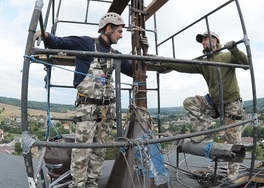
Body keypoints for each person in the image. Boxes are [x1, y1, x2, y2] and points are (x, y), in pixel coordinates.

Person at [34, 12, 147, 188]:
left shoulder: (114, 54)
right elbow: (60, 43)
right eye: (119, 31)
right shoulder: (87, 44)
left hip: (105, 112)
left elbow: (134, 71)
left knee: (99, 151)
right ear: (108, 29)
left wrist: (143, 55)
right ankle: (78, 185)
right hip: (87, 109)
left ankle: (92, 184)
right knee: (82, 152)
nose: (121, 35)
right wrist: (45, 35)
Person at [160, 31, 248, 180]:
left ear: (215, 40)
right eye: (202, 41)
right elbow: (184, 65)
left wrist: (234, 49)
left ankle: (232, 174)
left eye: (206, 39)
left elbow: (246, 64)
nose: (203, 43)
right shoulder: (204, 62)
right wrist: (163, 61)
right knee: (190, 102)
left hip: (231, 104)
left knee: (233, 139)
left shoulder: (226, 56)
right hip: (214, 103)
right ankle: (205, 130)